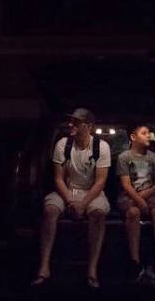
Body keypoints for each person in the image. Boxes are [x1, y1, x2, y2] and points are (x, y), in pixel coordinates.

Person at [32, 108, 111, 289]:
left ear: (88, 126)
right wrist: (70, 201)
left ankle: (92, 271)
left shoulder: (101, 147)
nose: (71, 125)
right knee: (50, 209)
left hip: (91, 192)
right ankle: (44, 267)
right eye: (71, 121)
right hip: (67, 190)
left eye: (76, 122)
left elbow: (100, 182)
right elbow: (58, 178)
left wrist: (83, 204)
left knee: (98, 212)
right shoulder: (63, 144)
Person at [117, 123, 155, 286]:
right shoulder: (124, 157)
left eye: (149, 133)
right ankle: (135, 261)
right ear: (133, 137)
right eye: (144, 133)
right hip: (129, 194)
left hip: (149, 193)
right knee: (133, 213)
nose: (148, 135)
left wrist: (145, 196)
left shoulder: (153, 157)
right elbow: (126, 184)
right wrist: (139, 200)